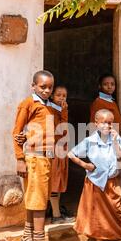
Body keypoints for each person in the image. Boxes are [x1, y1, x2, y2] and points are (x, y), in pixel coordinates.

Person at [12, 70, 62, 241]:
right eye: (43, 87)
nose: (47, 90)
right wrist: (19, 159)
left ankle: (28, 239)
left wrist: (62, 109)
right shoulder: (28, 104)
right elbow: (16, 132)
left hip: (46, 159)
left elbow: (59, 129)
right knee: (39, 203)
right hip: (34, 159)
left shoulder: (49, 107)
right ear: (33, 85)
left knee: (35, 199)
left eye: (50, 87)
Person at [68, 109, 121, 241]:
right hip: (95, 182)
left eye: (110, 123)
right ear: (96, 124)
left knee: (117, 210)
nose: (107, 126)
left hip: (111, 182)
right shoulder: (90, 141)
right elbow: (71, 154)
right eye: (103, 122)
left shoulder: (115, 138)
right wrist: (85, 165)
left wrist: (115, 141)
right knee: (97, 214)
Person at [47, 85, 75, 224]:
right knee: (54, 182)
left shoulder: (59, 109)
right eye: (58, 95)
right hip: (54, 150)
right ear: (52, 96)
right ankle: (56, 215)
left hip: (61, 149)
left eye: (64, 95)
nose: (61, 98)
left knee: (58, 182)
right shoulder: (50, 110)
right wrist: (64, 112)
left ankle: (55, 210)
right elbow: (61, 130)